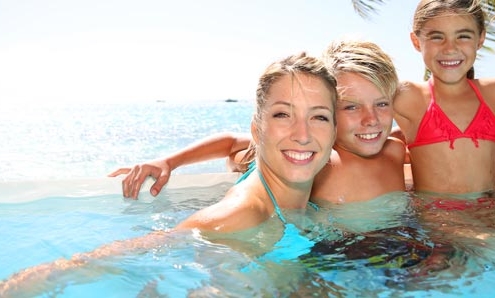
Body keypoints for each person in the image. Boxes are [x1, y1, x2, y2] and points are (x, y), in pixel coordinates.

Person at [0, 52, 339, 296]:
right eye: (283, 115)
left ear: (334, 131)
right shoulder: (240, 215)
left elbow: (227, 142)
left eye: (319, 117)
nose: (303, 134)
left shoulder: (259, 162)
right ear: (258, 128)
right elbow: (126, 254)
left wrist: (169, 161)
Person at [110, 39, 410, 207]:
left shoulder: (395, 149)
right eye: (351, 107)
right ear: (329, 113)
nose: (371, 120)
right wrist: (169, 161)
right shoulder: (320, 159)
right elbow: (231, 143)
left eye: (382, 104)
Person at [393, 0, 495, 198]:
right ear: (416, 42)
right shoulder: (408, 97)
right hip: (437, 223)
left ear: (480, 39)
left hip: (488, 216)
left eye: (463, 36)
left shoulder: (491, 94)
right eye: (437, 37)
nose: (450, 48)